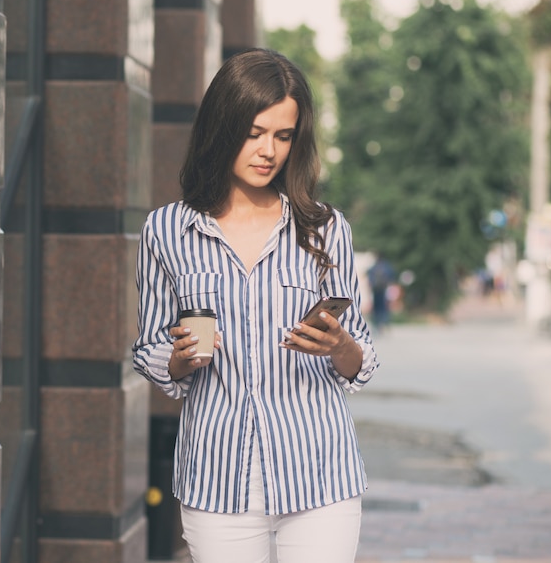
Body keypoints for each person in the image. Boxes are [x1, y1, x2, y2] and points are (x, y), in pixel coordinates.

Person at [133, 48, 379, 563]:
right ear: (223, 127)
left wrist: (340, 345)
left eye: (283, 135)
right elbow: (149, 347)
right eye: (254, 132)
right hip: (217, 475)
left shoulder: (325, 229)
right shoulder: (167, 231)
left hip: (319, 472)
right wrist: (180, 359)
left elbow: (362, 362)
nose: (269, 150)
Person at [366, 253, 397, 333]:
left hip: (375, 290)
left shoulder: (373, 267)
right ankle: (385, 323)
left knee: (376, 308)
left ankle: (377, 325)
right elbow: (392, 276)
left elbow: (369, 276)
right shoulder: (386, 266)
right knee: (384, 307)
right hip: (384, 289)